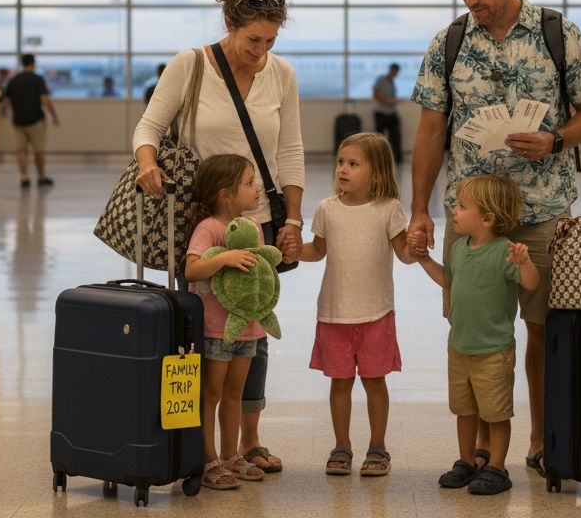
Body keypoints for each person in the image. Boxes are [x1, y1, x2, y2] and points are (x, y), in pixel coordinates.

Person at [408, 0, 581, 479]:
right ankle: (474, 453)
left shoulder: (556, 33)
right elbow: (429, 130)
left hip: (541, 211)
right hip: (470, 215)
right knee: (468, 327)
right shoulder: (449, 43)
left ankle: (539, 441)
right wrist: (420, 208)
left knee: (541, 328)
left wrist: (557, 140)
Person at [133, 0, 305, 475]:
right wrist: (148, 163)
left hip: (260, 218)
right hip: (202, 221)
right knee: (202, 330)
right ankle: (199, 444)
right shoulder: (191, 64)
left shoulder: (282, 73)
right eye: (253, 39)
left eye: (271, 40)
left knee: (252, 322)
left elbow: (290, 150)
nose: (261, 50)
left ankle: (248, 440)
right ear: (229, 22)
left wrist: (292, 219)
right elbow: (150, 125)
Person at [298, 132, 421, 477]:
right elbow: (317, 250)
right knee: (339, 383)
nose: (343, 169)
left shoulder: (388, 210)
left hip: (376, 314)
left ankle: (378, 447)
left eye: (353, 164)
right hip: (333, 313)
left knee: (374, 382)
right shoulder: (327, 209)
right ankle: (342, 446)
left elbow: (403, 253)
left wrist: (417, 249)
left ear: (377, 172)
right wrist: (293, 252)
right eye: (341, 162)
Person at [412, 175, 538, 496]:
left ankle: (497, 466)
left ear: (487, 219)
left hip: (493, 352)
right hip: (459, 348)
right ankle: (466, 461)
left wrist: (525, 263)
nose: (454, 210)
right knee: (464, 410)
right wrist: (426, 260)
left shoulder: (505, 251)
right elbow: (448, 281)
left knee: (496, 413)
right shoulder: (458, 249)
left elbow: (532, 284)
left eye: (462, 206)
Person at [185, 153, 270, 490]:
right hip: (215, 329)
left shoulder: (253, 228)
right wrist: (225, 257)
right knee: (212, 393)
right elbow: (192, 269)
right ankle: (208, 460)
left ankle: (231, 454)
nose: (257, 189)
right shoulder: (209, 229)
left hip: (247, 326)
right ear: (225, 194)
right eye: (249, 183)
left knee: (235, 392)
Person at [2, 54, 60, 188]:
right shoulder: (37, 79)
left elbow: (6, 100)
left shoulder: (14, 80)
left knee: (21, 150)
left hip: (18, 121)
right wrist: (54, 116)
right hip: (36, 121)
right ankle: (41, 177)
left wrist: (4, 111)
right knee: (38, 150)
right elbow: (45, 99)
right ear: (33, 64)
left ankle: (24, 177)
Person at [372, 63, 403, 164]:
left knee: (395, 136)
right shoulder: (381, 79)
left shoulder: (392, 82)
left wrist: (394, 101)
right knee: (379, 137)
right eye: (395, 71)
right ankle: (377, 158)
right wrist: (388, 101)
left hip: (391, 113)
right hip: (381, 113)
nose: (396, 73)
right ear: (391, 70)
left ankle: (395, 159)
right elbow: (376, 94)